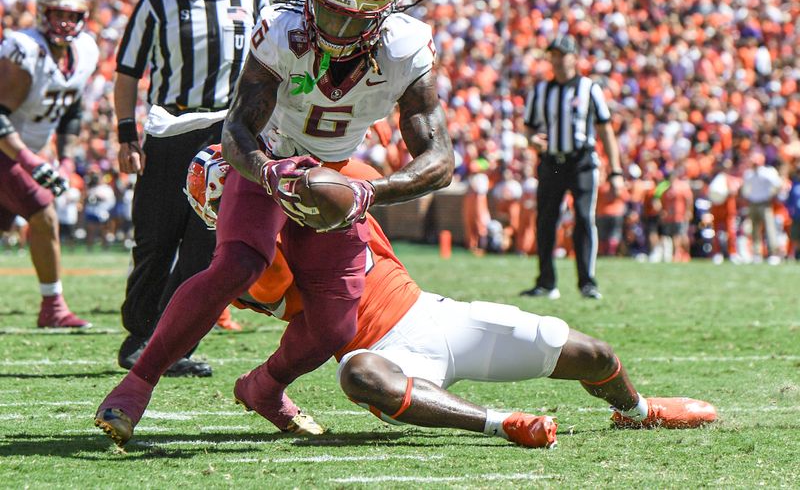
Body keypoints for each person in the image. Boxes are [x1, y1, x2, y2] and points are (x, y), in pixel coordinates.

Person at [95, 0, 453, 439]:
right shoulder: (283, 29)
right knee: (237, 264)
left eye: (355, 16)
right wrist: (266, 171)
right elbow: (237, 127)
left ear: (382, 14)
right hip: (272, 156)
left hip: (334, 173)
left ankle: (265, 386)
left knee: (336, 326)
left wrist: (369, 192)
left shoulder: (406, 46)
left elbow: (439, 158)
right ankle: (137, 383)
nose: (338, 26)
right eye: (330, 10)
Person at [95, 158, 716, 448]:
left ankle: (637, 409)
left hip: (432, 313)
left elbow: (367, 168)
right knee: (357, 373)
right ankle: (500, 423)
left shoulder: (327, 183)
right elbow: (302, 312)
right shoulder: (253, 267)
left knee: (588, 349)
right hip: (387, 357)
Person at [113, 0, 268, 374]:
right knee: (156, 238)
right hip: (170, 130)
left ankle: (175, 341)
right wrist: (127, 135)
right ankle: (140, 334)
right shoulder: (156, 1)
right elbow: (128, 72)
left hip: (228, 131)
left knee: (206, 246)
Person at [0, 0, 97, 328]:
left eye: (72, 15)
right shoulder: (24, 49)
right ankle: (53, 307)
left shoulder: (85, 51)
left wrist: (67, 160)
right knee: (44, 213)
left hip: (25, 150)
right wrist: (29, 160)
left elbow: (71, 111)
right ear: (43, 14)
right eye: (58, 14)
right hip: (8, 150)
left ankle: (52, 306)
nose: (65, 23)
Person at [520, 35, 624, 300]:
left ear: (574, 57)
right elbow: (529, 126)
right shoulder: (541, 90)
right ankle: (546, 282)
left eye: (562, 54)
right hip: (552, 162)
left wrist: (616, 170)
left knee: (583, 218)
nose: (556, 60)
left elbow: (605, 130)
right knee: (546, 220)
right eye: (553, 55)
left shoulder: (590, 89)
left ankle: (587, 282)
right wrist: (532, 139)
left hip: (582, 161)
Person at [740, 152, 783, 264]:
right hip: (753, 203)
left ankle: (773, 253)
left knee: (769, 228)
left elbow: (778, 184)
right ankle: (757, 253)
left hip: (764, 203)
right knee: (754, 229)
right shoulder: (748, 174)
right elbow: (745, 188)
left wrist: (770, 195)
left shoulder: (767, 173)